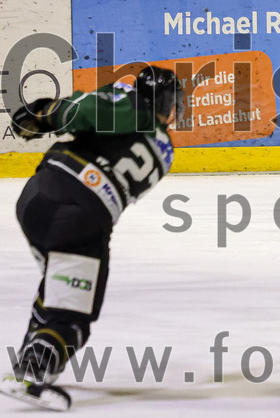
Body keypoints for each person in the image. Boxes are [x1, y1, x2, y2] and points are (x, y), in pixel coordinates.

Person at [0, 66, 184, 412]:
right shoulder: (165, 150)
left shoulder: (133, 108)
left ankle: (33, 355)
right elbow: (103, 118)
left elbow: (87, 111)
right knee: (71, 315)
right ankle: (32, 369)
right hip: (79, 217)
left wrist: (46, 113)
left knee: (60, 287)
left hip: (36, 198)